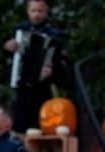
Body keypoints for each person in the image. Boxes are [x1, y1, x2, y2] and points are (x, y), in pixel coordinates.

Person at [4, 0, 65, 133]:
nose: (36, 15)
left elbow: (61, 63)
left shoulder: (54, 34)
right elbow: (9, 56)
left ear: (46, 12)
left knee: (40, 125)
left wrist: (52, 71)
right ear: (28, 11)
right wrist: (8, 47)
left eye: (40, 11)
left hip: (42, 88)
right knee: (20, 125)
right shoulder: (20, 30)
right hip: (23, 85)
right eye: (33, 11)